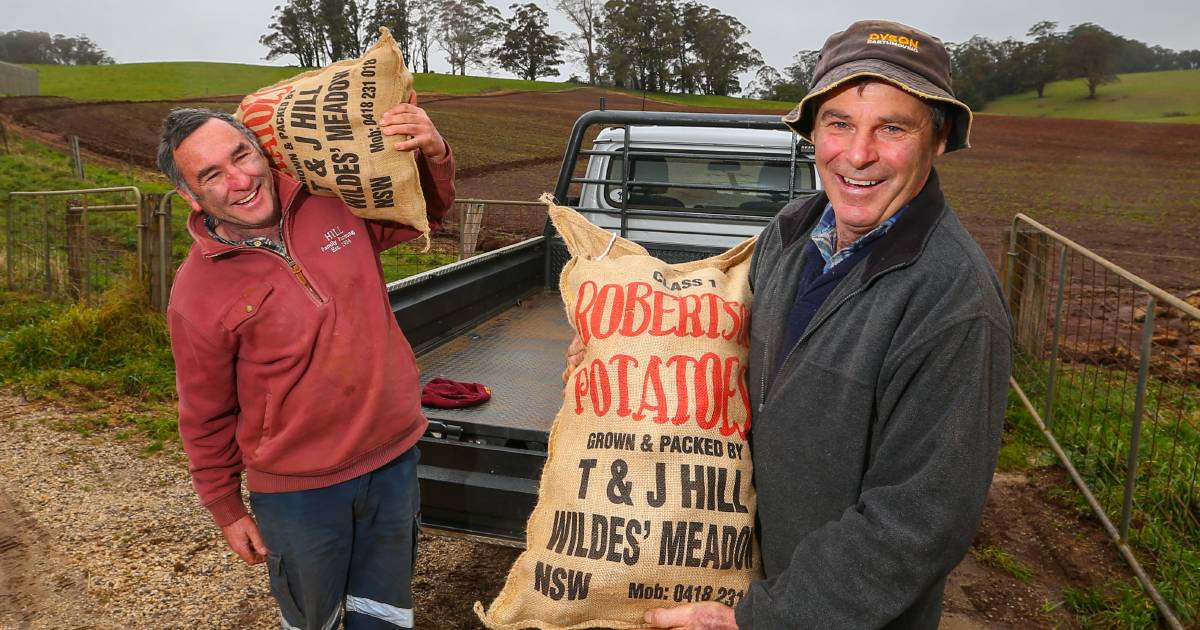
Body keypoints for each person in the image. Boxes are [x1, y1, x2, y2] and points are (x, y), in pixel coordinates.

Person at [566, 20, 1012, 629]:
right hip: (739, 575)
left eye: (893, 127)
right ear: (812, 134)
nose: (858, 155)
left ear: (937, 140)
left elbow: (918, 523)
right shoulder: (795, 231)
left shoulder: (953, 303)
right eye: (839, 124)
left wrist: (760, 620)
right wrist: (622, 355)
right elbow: (729, 353)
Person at [157, 94, 455, 630]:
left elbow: (422, 214)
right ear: (189, 194)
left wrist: (432, 154)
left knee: (385, 611)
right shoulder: (196, 294)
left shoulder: (330, 203)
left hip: (393, 460)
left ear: (262, 152)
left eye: (242, 156)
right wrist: (226, 507)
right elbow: (203, 412)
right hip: (300, 492)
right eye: (213, 174)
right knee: (313, 616)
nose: (241, 180)